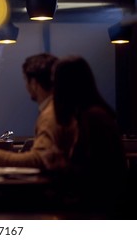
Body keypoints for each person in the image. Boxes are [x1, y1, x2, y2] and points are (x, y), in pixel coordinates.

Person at [52, 55, 128, 215]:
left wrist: (61, 164)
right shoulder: (90, 115)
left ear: (67, 86)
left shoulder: (94, 119)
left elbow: (98, 175)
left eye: (56, 83)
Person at [0, 53, 77, 171]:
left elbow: (38, 158)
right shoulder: (59, 107)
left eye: (26, 81)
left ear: (34, 83)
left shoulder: (51, 114)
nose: (26, 86)